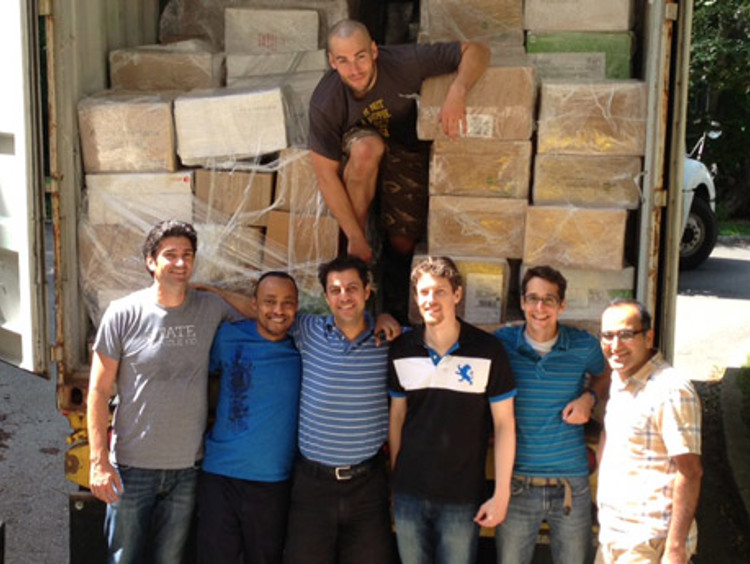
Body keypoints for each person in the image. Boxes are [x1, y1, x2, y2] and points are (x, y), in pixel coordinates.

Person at [309, 19, 490, 320]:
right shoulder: (326, 100)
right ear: (331, 61)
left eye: (360, 57)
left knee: (402, 242)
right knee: (367, 148)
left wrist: (457, 92)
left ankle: (394, 299)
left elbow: (477, 50)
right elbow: (325, 175)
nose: (354, 69)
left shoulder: (406, 62)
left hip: (407, 149)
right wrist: (354, 235)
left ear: (374, 51)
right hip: (363, 149)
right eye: (343, 60)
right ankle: (354, 262)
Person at [87, 220, 244, 564]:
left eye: (188, 255)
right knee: (123, 559)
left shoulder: (210, 308)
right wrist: (98, 463)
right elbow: (97, 391)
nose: (180, 262)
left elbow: (265, 313)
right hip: (131, 468)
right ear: (150, 261)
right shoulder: (123, 313)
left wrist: (215, 291)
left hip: (186, 469)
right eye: (170, 255)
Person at [388, 256, 516, 564]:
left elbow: (504, 425)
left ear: (457, 295)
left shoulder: (488, 350)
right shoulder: (401, 349)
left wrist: (502, 494)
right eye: (424, 292)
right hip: (409, 495)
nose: (431, 299)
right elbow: (397, 417)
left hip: (462, 497)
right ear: (416, 298)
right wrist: (396, 481)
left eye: (440, 291)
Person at [282, 255, 400, 564]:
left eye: (352, 288)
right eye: (335, 290)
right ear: (325, 297)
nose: (344, 296)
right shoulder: (307, 329)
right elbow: (265, 311)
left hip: (367, 485)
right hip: (312, 485)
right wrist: (210, 293)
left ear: (367, 291)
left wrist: (387, 317)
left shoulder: (390, 341)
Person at [493, 265, 611, 564]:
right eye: (532, 298)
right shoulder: (502, 344)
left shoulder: (583, 345)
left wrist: (589, 397)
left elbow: (607, 373)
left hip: (571, 485)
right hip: (517, 483)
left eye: (549, 300)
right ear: (522, 303)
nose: (540, 308)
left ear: (562, 305)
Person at [196, 271, 301, 564]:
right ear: (253, 304)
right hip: (220, 474)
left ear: (297, 307)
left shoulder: (304, 346)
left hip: (273, 480)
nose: (278, 310)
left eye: (287, 303)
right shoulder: (228, 336)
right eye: (269, 301)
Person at [596, 299, 702, 564]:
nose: (615, 345)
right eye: (608, 336)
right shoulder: (621, 379)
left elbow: (690, 471)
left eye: (626, 335)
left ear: (648, 337)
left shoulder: (670, 389)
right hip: (614, 535)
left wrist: (675, 549)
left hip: (649, 540)